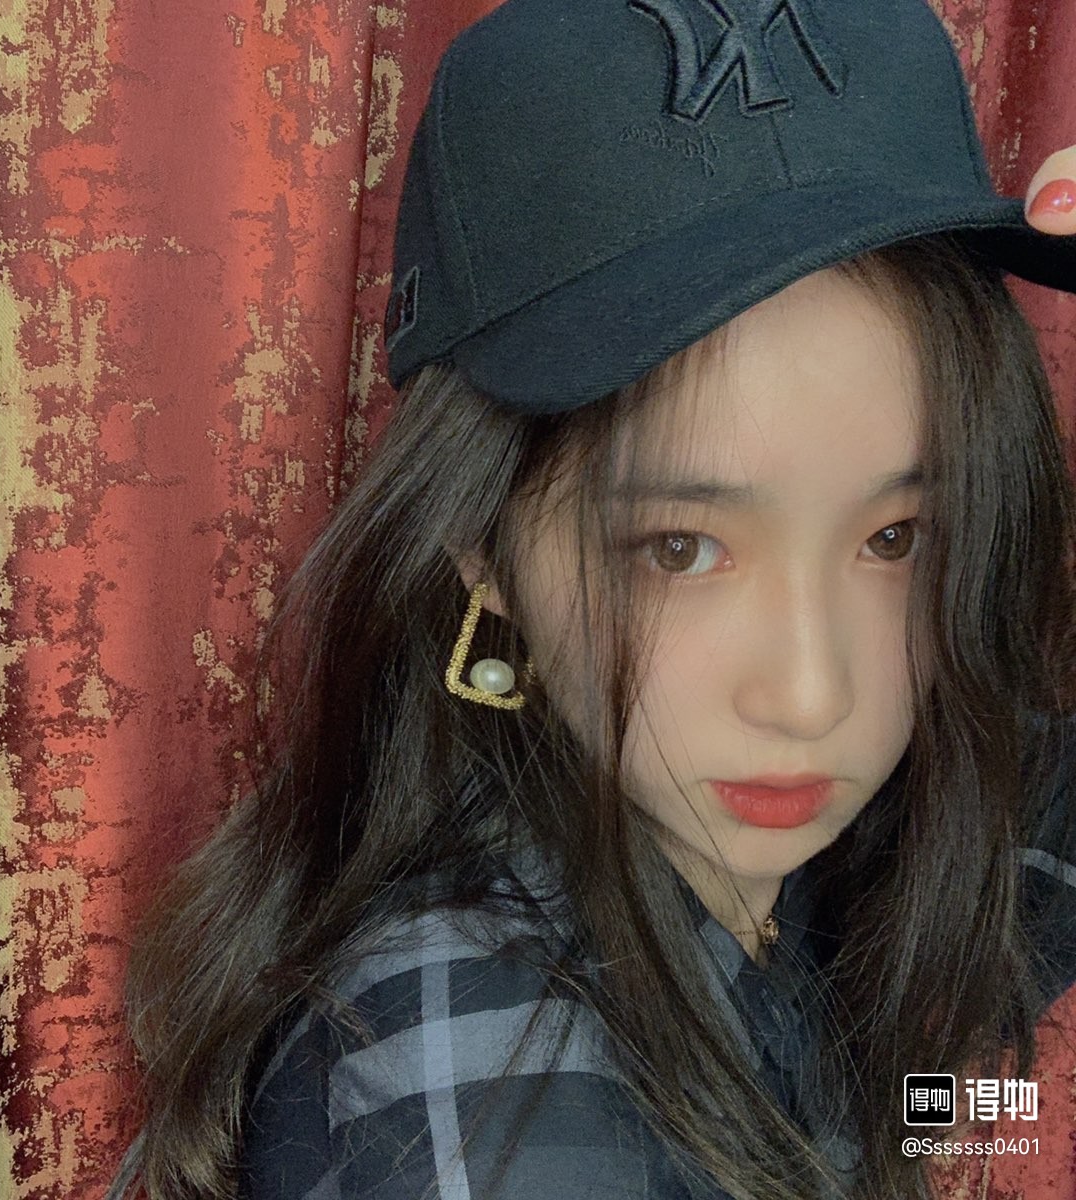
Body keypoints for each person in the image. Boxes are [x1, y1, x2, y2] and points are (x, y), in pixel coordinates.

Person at [109, 2, 1076, 1198]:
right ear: (480, 544)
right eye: (679, 549)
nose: (811, 695)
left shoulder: (802, 875)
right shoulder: (502, 1081)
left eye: (896, 538)